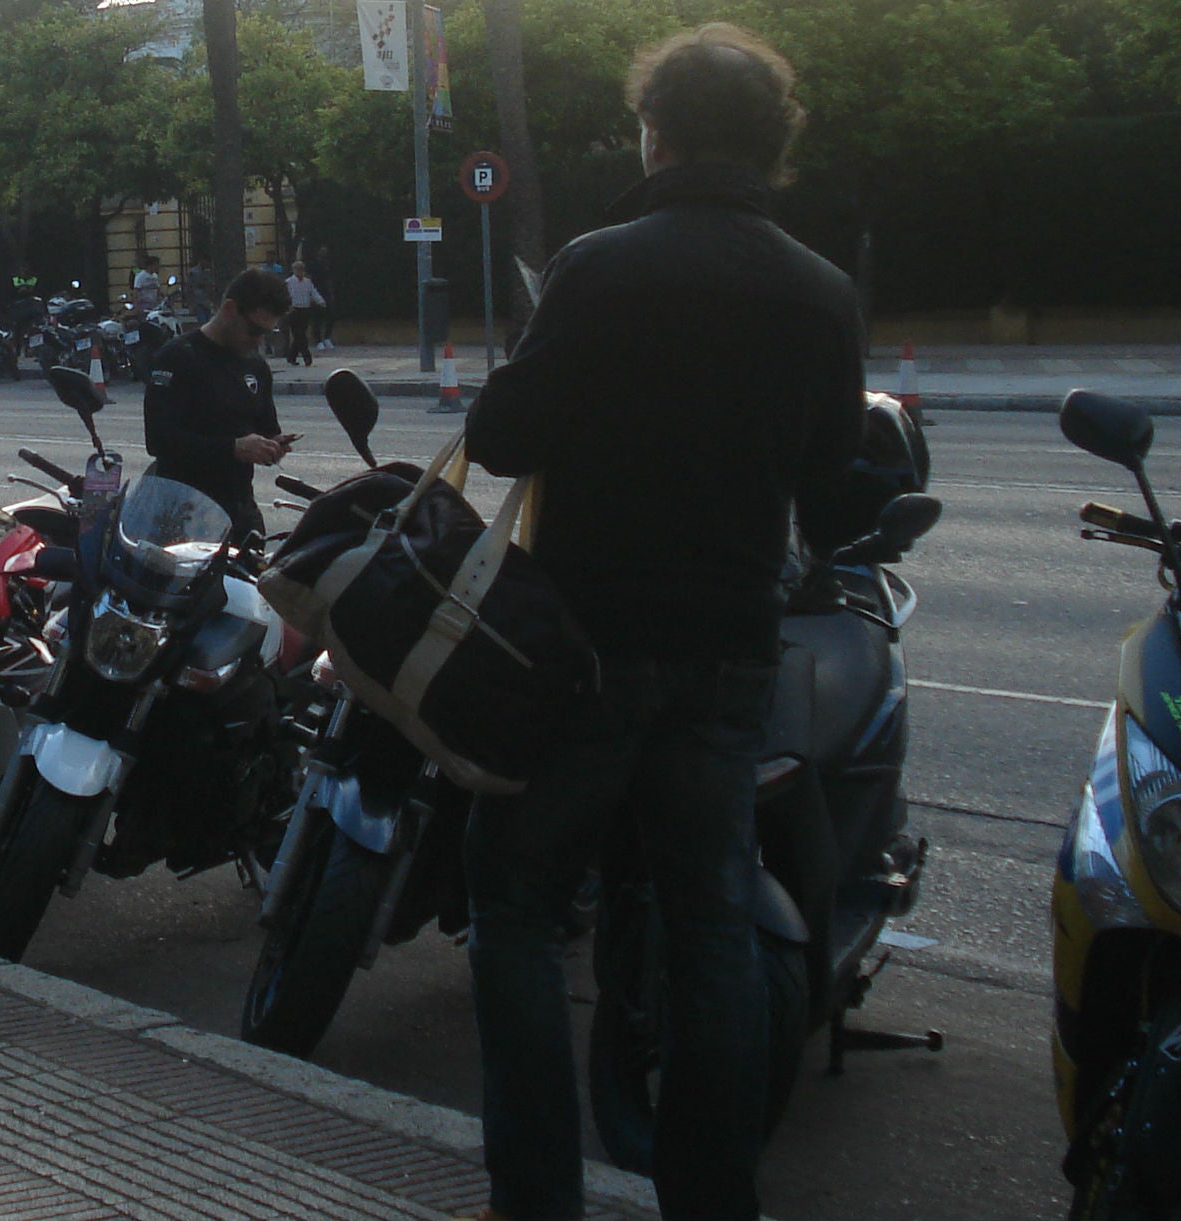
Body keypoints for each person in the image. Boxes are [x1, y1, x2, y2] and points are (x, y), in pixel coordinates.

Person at [457, 24, 864, 1221]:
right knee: (709, 937)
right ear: (771, 147)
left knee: (515, 908)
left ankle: (533, 1199)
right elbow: (834, 483)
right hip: (729, 661)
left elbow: (499, 441)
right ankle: (710, 1199)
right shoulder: (821, 291)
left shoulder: (598, 265)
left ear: (656, 131)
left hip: (581, 654)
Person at [141, 267, 296, 544]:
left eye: (267, 333)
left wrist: (273, 445)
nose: (258, 340)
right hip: (183, 513)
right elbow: (160, 440)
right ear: (229, 309)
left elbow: (264, 426)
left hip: (238, 512)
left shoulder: (255, 366)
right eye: (254, 329)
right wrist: (233, 448)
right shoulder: (177, 358)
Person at [283, 260, 326, 366]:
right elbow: (285, 297)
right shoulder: (288, 282)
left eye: (301, 269)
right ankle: (307, 357)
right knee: (299, 335)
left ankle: (291, 357)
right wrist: (287, 308)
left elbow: (313, 292)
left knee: (299, 335)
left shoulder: (308, 282)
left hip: (305, 310)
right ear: (294, 270)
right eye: (297, 269)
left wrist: (321, 301)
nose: (299, 271)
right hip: (294, 310)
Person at [306, 245, 335, 349]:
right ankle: (318, 340)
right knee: (317, 318)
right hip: (317, 292)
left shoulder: (327, 264)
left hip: (327, 293)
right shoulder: (313, 265)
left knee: (331, 315)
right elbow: (309, 279)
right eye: (322, 250)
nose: (324, 252)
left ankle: (327, 338)